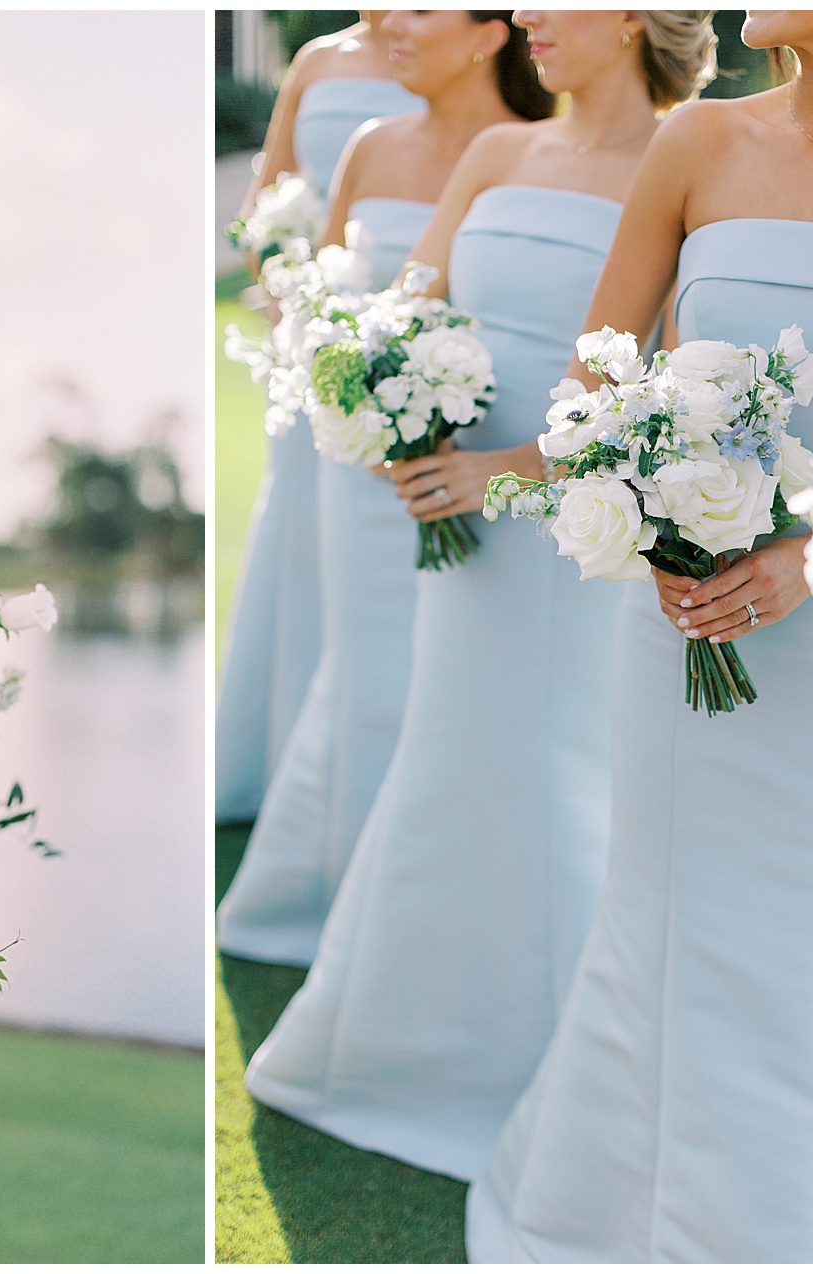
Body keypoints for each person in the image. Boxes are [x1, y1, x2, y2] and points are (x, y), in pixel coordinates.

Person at [467, 11, 813, 1262]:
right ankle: (609, 1211)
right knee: (656, 915)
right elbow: (595, 383)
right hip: (675, 623)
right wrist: (647, 507)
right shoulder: (700, 139)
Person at [244, 10, 712, 1183]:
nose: (535, 21)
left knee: (561, 769)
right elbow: (409, 303)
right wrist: (392, 392)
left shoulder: (690, 155)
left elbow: (656, 373)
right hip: (452, 517)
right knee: (448, 754)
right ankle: (401, 1048)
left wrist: (506, 471)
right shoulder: (501, 155)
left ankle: (561, 1063)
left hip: (572, 530)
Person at [217, 11, 549, 966]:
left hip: (473, 448)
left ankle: (439, 884)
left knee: (451, 666)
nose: (395, 23)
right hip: (358, 443)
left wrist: (442, 404)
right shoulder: (365, 143)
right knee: (360, 660)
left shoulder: (525, 155)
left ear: (493, 34)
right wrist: (353, 381)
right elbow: (324, 289)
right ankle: (350, 880)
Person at [216, 15, 421, 824]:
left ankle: (382, 744)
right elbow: (265, 196)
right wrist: (282, 274)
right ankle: (282, 760)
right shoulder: (316, 59)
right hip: (319, 327)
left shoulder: (449, 44)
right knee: (300, 529)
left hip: (411, 317)